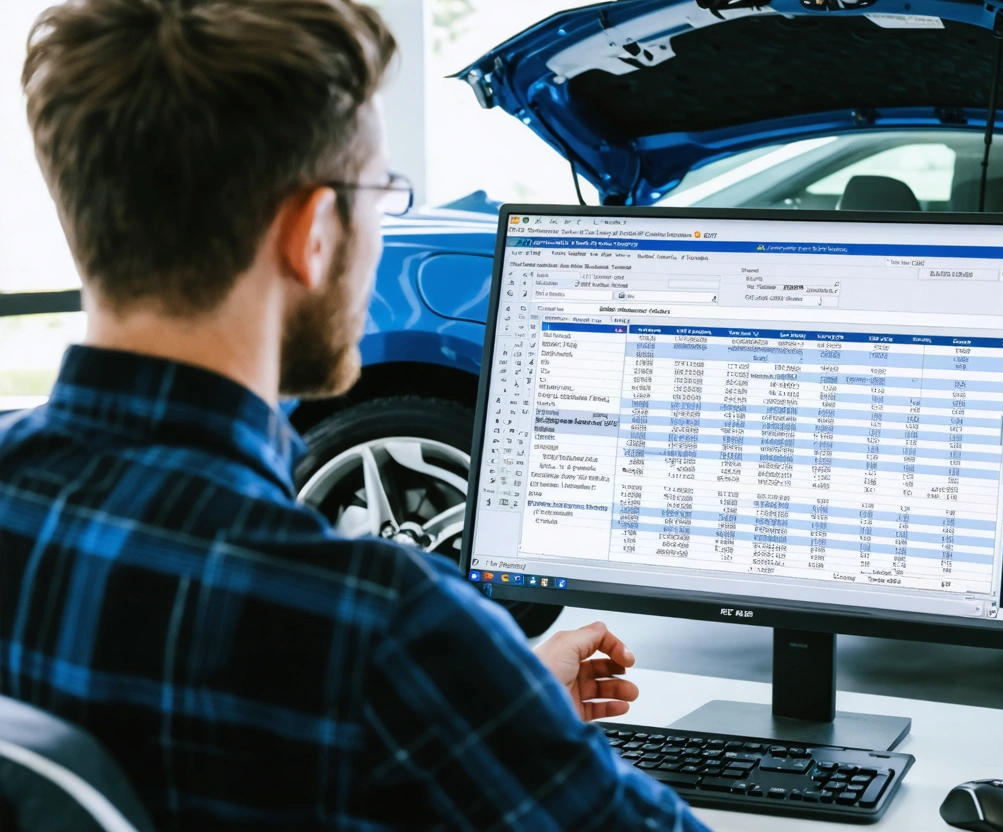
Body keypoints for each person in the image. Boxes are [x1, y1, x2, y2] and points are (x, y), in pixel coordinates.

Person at [0, 1, 711, 830]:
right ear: (313, 232)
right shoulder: (384, 629)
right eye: (383, 194)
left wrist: (498, 692)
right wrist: (467, 683)